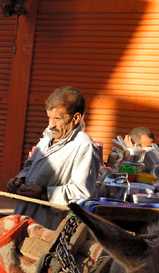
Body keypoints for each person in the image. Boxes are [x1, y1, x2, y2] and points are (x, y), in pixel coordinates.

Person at [6, 86, 100, 228]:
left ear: (75, 118)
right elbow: (30, 166)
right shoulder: (47, 138)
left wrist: (44, 193)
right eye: (49, 118)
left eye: (57, 119)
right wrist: (21, 180)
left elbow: (82, 193)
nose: (51, 125)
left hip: (50, 224)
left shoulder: (84, 146)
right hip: (24, 215)